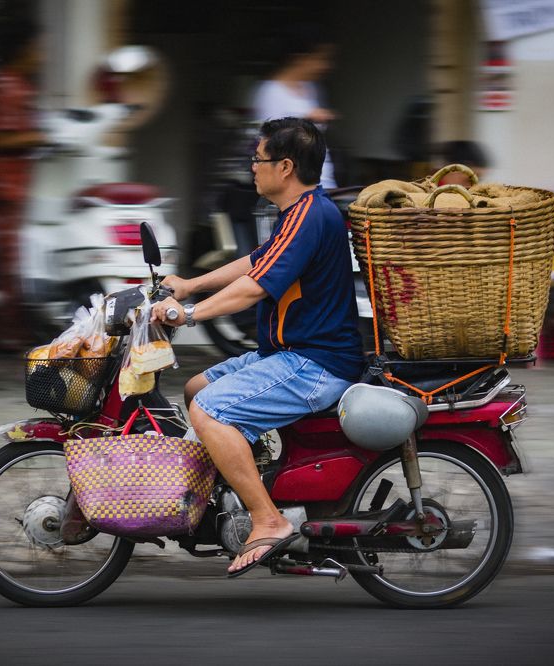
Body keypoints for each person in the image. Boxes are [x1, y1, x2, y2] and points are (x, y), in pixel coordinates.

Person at [152, 118, 363, 576]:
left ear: (285, 167)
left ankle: (269, 518)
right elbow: (257, 260)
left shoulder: (310, 213)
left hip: (315, 361)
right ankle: (234, 496)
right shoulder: (299, 213)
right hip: (288, 354)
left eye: (258, 159)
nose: (252, 167)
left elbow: (255, 286)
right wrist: (189, 285)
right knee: (195, 387)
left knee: (210, 409)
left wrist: (187, 315)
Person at [0, 16, 46, 351]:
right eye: (38, 47)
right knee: (9, 266)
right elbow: (0, 141)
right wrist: (41, 135)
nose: (42, 54)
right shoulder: (7, 85)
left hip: (19, 187)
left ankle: (15, 328)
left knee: (18, 261)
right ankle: (5, 332)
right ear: (23, 49)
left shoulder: (20, 85)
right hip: (6, 188)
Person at [251, 26, 339, 189]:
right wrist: (307, 120)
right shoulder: (271, 92)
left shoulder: (311, 88)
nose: (325, 65)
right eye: (321, 58)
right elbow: (271, 144)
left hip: (323, 182)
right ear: (301, 59)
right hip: (297, 189)